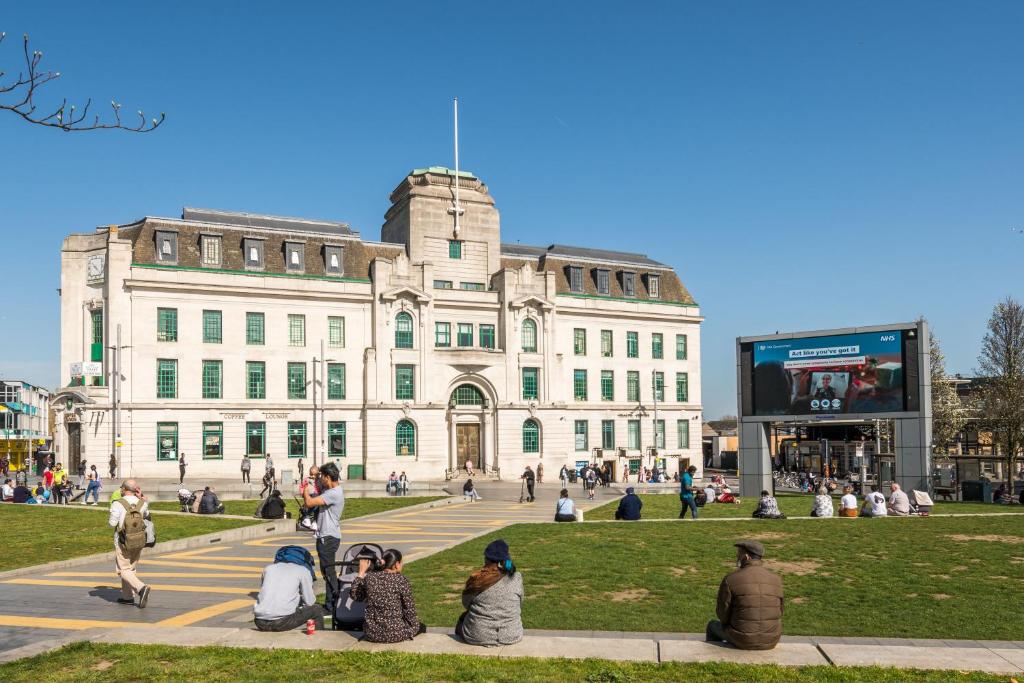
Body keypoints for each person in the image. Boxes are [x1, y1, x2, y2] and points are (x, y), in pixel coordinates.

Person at [706, 540, 784, 650]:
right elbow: (780, 611)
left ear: (746, 557)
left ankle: (714, 655)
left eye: (739, 554)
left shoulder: (731, 579)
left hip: (742, 639)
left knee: (712, 626)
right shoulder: (776, 579)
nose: (737, 557)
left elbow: (722, 615)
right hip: (772, 639)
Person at [455, 539, 524, 646]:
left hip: (477, 636)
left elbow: (466, 604)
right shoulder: (516, 577)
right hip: (512, 635)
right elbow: (520, 602)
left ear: (486, 559)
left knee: (462, 619)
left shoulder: (477, 579)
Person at [351, 549, 425, 643]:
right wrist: (415, 626)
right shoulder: (401, 580)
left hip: (372, 633)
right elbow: (409, 609)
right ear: (397, 564)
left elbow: (356, 596)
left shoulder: (370, 577)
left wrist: (361, 573)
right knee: (422, 627)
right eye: (402, 563)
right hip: (395, 633)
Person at [302, 461, 344, 613]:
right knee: (328, 571)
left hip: (328, 537)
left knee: (329, 572)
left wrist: (305, 490)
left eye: (322, 477)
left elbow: (309, 503)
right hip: (329, 535)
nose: (321, 479)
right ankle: (331, 603)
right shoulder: (333, 490)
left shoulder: (333, 493)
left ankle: (334, 603)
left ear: (328, 477)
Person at [253, 545, 323, 632]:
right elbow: (310, 601)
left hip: (259, 621)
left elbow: (268, 593)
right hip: (282, 622)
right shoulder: (303, 570)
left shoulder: (268, 568)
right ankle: (319, 638)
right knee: (317, 609)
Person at [108, 479, 152, 608]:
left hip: (123, 540)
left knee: (123, 569)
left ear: (124, 489)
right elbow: (147, 516)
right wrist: (143, 498)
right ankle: (127, 597)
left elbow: (112, 523)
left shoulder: (118, 503)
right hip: (139, 540)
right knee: (131, 568)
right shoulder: (142, 503)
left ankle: (141, 588)